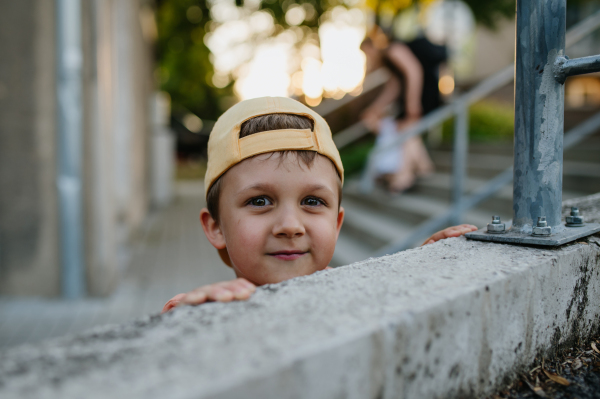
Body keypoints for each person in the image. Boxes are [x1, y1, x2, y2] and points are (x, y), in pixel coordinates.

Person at [161, 97, 477, 313]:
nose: (289, 226)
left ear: (336, 224)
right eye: (259, 201)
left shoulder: (357, 294)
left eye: (312, 201)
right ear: (216, 227)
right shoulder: (200, 310)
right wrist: (195, 325)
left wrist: (416, 275)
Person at [360, 29, 446, 192]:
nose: (368, 57)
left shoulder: (394, 50)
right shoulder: (388, 58)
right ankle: (423, 167)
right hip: (415, 95)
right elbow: (394, 86)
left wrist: (412, 102)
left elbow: (414, 72)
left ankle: (405, 177)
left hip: (425, 92)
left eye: (367, 52)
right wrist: (376, 108)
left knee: (408, 129)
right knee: (408, 129)